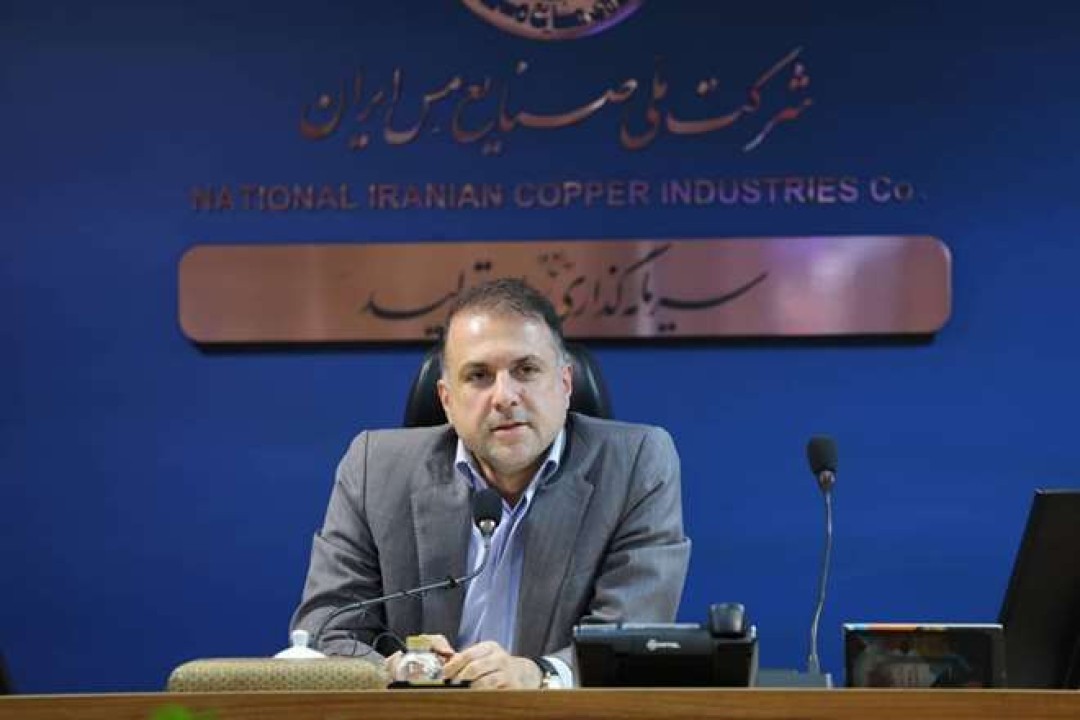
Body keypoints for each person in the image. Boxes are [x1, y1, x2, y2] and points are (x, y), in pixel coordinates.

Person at [290, 278, 690, 688]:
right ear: (447, 400)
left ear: (565, 384)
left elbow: (626, 640)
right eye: (479, 375)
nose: (504, 397)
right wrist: (392, 671)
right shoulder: (374, 468)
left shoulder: (636, 464)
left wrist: (537, 674)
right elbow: (325, 629)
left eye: (526, 370)